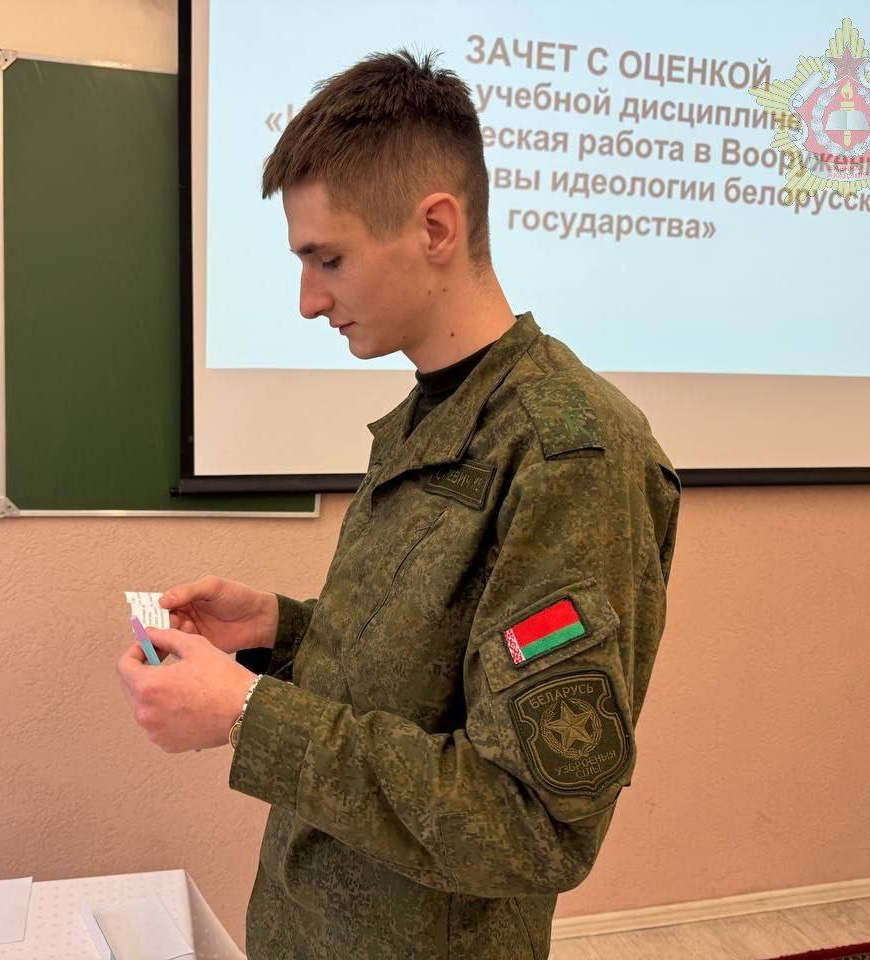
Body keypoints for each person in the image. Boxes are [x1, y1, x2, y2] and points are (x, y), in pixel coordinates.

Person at [117, 49, 681, 960]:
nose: (309, 301)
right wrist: (280, 632)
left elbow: (532, 822)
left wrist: (247, 715)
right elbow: (427, 679)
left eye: (328, 259)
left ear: (436, 228)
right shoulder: (433, 415)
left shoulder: (568, 453)